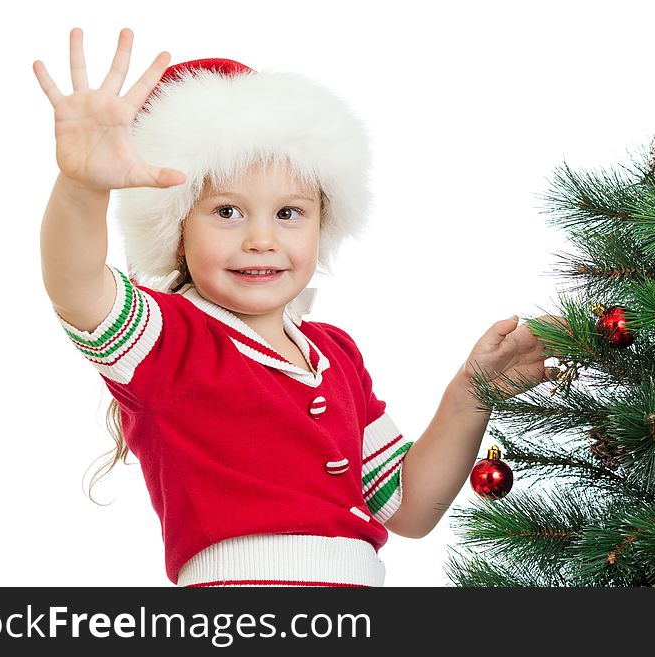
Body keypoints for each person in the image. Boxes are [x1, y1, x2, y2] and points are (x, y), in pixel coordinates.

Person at [34, 28, 565, 587]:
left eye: (289, 213)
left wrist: (469, 395)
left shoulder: (335, 353)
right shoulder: (167, 339)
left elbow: (407, 508)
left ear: (323, 220)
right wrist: (81, 186)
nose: (262, 239)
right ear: (176, 225)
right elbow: (74, 283)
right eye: (228, 212)